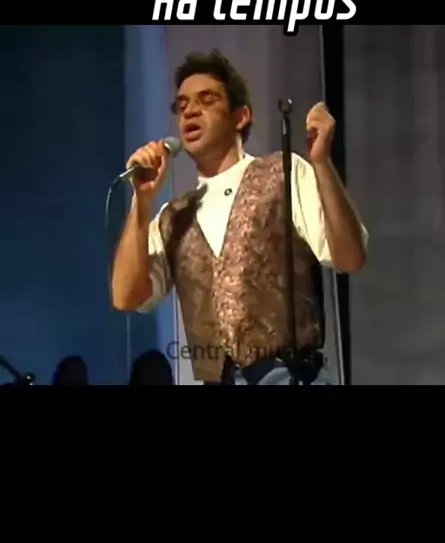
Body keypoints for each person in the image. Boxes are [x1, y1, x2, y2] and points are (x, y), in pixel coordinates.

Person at [112, 50, 368, 385]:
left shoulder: (283, 172)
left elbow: (350, 258)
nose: (190, 110)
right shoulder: (174, 217)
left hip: (288, 376)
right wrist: (142, 202)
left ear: (241, 116)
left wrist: (321, 164)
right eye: (182, 104)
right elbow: (126, 296)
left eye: (207, 99)